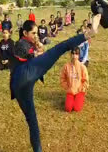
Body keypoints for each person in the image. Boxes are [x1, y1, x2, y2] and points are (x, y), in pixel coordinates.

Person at [9, 16, 100, 152]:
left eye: (36, 33)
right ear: (24, 33)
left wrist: (37, 45)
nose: (36, 35)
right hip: (24, 75)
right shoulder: (20, 44)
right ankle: (88, 34)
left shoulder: (28, 43)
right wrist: (37, 49)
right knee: (59, 48)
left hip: (20, 86)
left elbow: (37, 54)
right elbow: (35, 55)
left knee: (32, 121)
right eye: (33, 33)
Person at [60, 47, 89, 112]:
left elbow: (86, 80)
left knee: (77, 109)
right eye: (73, 54)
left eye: (76, 54)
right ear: (71, 55)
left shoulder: (82, 67)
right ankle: (71, 100)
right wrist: (67, 87)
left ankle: (80, 98)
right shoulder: (66, 66)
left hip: (79, 91)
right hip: (70, 91)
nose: (74, 56)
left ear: (78, 55)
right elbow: (62, 78)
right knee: (68, 109)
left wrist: (82, 88)